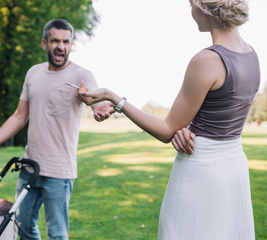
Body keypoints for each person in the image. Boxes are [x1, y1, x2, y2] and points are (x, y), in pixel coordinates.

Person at [77, 0, 260, 239]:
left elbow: (166, 130)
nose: (190, 10)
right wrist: (185, 128)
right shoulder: (252, 55)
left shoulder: (207, 60)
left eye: (191, 4)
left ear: (204, 9)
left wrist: (115, 98)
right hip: (234, 166)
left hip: (200, 167)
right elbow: (220, 117)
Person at [0, 19, 114, 240]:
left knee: (57, 234)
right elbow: (19, 116)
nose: (60, 46)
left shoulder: (82, 75)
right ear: (45, 43)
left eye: (66, 41)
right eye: (55, 41)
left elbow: (97, 102)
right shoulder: (33, 73)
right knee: (22, 228)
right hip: (29, 167)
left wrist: (101, 110)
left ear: (71, 45)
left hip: (59, 172)